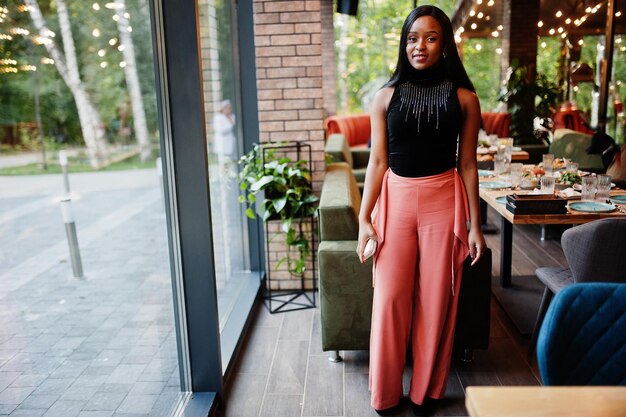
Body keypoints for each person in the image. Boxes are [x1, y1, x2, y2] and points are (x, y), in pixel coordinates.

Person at [356, 6, 486, 416]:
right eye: (412, 38)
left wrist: (475, 225)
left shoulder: (465, 98)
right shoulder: (385, 96)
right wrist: (364, 218)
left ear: (445, 43)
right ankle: (385, 395)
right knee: (391, 298)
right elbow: (378, 162)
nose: (420, 46)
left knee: (436, 300)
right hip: (395, 200)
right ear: (403, 43)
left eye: (430, 37)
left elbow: (467, 163)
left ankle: (425, 393)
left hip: (443, 203)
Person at [213, 99, 237, 174]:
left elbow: (234, 126)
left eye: (230, 108)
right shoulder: (218, 118)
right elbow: (219, 130)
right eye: (227, 108)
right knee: (223, 161)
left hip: (231, 142)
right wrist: (230, 126)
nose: (229, 110)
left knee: (232, 161)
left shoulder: (232, 116)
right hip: (222, 143)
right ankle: (223, 175)